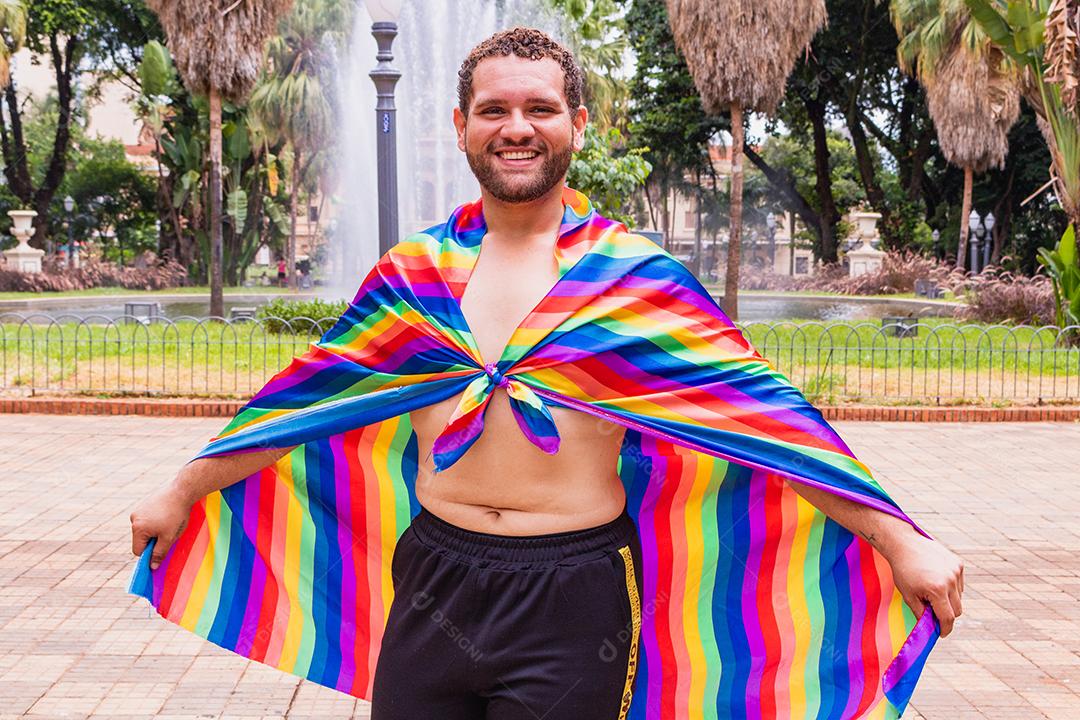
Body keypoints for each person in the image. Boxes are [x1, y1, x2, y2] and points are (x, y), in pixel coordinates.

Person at [129, 28, 962, 720]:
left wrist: (901, 540)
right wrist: (181, 489)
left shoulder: (633, 277)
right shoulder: (414, 273)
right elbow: (304, 401)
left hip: (575, 594)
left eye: (540, 108)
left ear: (578, 123)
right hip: (434, 579)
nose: (516, 127)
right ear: (461, 125)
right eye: (494, 109)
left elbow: (771, 423)